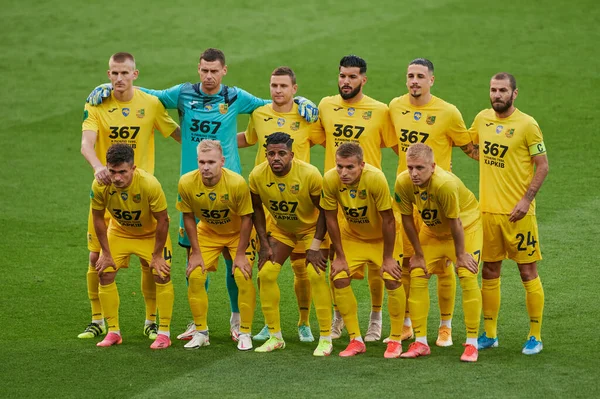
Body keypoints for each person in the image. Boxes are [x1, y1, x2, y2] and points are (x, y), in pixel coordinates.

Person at [87, 48, 318, 340]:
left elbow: (272, 103)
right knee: (195, 259)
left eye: (214, 71)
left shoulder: (235, 97)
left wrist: (300, 101)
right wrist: (113, 88)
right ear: (198, 70)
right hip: (193, 187)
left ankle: (236, 320)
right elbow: (152, 96)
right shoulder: (182, 94)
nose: (209, 76)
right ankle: (199, 324)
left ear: (224, 71)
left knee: (237, 260)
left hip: (232, 188)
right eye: (204, 70)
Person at [80, 52, 180, 340]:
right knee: (96, 257)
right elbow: (87, 144)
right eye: (114, 73)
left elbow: (175, 133)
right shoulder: (96, 103)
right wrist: (99, 168)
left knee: (150, 263)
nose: (119, 78)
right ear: (108, 74)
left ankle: (151, 321)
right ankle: (98, 319)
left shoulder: (150, 104)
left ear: (135, 74)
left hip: (142, 193)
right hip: (107, 190)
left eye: (124, 73)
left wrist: (214, 143)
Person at [388, 58, 478, 346]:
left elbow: (469, 147)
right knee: (408, 262)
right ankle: (407, 324)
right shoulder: (395, 106)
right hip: (409, 196)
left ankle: (446, 326)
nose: (414, 81)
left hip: (440, 199)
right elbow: (395, 144)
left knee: (442, 267)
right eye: (410, 76)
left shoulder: (448, 112)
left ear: (431, 80)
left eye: (420, 76)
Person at [238, 66, 326, 342]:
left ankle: (304, 323)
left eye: (283, 86)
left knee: (303, 268)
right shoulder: (259, 114)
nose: (278, 90)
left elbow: (331, 140)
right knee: (264, 264)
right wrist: (212, 140)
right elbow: (248, 139)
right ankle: (269, 324)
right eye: (274, 85)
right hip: (267, 202)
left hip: (302, 202)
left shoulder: (307, 116)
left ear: (294, 89)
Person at [313, 55, 398, 341]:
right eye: (342, 76)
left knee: (377, 264)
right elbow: (317, 135)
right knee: (336, 258)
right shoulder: (325, 105)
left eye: (352, 77)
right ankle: (339, 318)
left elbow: (396, 145)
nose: (345, 82)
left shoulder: (380, 110)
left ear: (364, 79)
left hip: (371, 196)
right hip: (337, 195)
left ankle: (376, 318)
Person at [470, 72, 548, 355]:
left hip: (519, 215)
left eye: (503, 90)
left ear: (514, 94)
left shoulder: (528, 125)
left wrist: (526, 200)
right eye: (493, 90)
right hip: (488, 213)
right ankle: (490, 334)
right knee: (489, 271)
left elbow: (542, 166)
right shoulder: (481, 119)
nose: (497, 95)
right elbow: (473, 146)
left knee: (527, 272)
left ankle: (535, 335)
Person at [395, 143, 482, 362]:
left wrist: (461, 255)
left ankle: (472, 344)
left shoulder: (445, 184)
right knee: (417, 274)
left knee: (467, 274)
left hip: (466, 228)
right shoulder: (403, 182)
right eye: (410, 167)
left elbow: (455, 223)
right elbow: (406, 219)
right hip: (433, 231)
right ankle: (421, 342)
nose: (414, 173)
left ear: (433, 166)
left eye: (420, 168)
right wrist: (418, 253)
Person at [249, 133, 333, 356]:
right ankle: (275, 337)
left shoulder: (309, 174)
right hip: (282, 229)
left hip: (311, 230)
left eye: (281, 153)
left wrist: (315, 246)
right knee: (265, 275)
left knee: (315, 274)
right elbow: (256, 208)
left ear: (291, 155)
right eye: (271, 153)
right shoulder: (257, 175)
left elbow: (325, 210)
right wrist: (264, 242)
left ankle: (325, 338)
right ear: (266, 154)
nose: (276, 158)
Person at [320, 143, 406, 358]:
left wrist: (387, 258)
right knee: (339, 277)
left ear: (362, 165)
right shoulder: (331, 179)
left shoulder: (375, 178)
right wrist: (339, 256)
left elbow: (388, 220)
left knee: (392, 278)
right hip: (354, 236)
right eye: (339, 166)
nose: (343, 172)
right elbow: (330, 218)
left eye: (350, 167)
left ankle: (395, 339)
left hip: (382, 237)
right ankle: (355, 339)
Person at [91, 144, 174, 349]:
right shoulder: (100, 185)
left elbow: (163, 220)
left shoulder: (149, 184)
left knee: (161, 274)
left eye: (122, 172)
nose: (117, 178)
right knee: (105, 272)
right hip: (120, 233)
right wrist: (107, 253)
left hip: (151, 234)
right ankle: (113, 332)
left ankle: (162, 332)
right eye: (112, 172)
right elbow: (98, 218)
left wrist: (156, 255)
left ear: (133, 168)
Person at [177, 140, 256, 351]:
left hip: (237, 233)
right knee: (194, 275)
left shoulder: (236, 183)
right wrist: (195, 252)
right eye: (202, 162)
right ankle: (201, 332)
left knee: (242, 274)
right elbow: (188, 217)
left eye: (211, 162)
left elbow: (248, 219)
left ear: (222, 161)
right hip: (209, 231)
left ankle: (244, 331)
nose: (205, 167)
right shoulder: (186, 182)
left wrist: (240, 254)